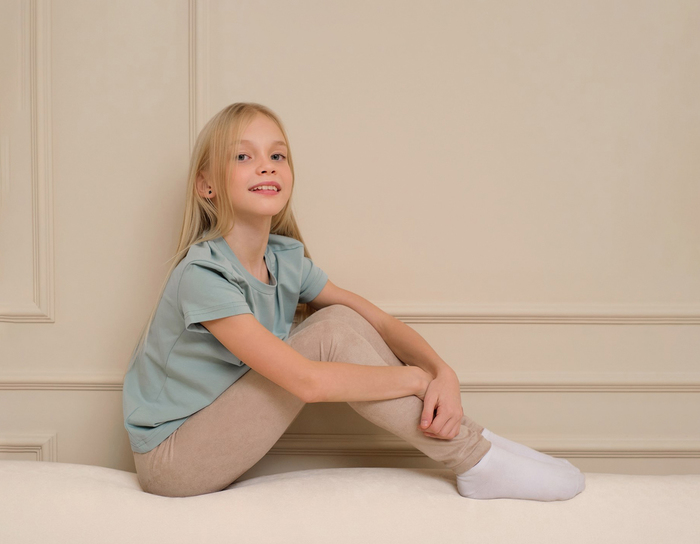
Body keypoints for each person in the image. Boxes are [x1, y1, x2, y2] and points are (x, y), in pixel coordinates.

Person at [122, 102, 586, 502]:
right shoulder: (203, 276)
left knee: (341, 316)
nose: (266, 166)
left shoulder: (284, 260)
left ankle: (477, 443)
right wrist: (414, 378)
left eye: (277, 155)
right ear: (207, 185)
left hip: (215, 431)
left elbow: (378, 322)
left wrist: (442, 372)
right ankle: (474, 458)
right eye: (243, 156)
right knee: (329, 334)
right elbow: (306, 382)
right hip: (173, 460)